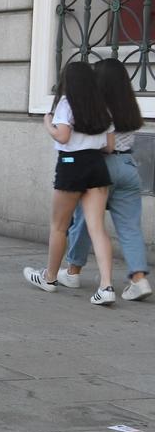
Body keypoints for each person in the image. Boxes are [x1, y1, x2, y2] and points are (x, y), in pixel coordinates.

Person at [24, 61, 116, 304]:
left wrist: (48, 124)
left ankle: (50, 277)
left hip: (71, 165)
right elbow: (110, 146)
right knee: (97, 228)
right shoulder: (103, 106)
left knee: (59, 226)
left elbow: (63, 136)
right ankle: (106, 287)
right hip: (97, 165)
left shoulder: (66, 103)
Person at [62, 58, 151, 301]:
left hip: (102, 168)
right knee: (130, 227)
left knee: (85, 222)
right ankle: (139, 279)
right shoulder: (130, 105)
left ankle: (73, 270)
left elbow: (98, 143)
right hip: (129, 167)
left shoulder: (98, 108)